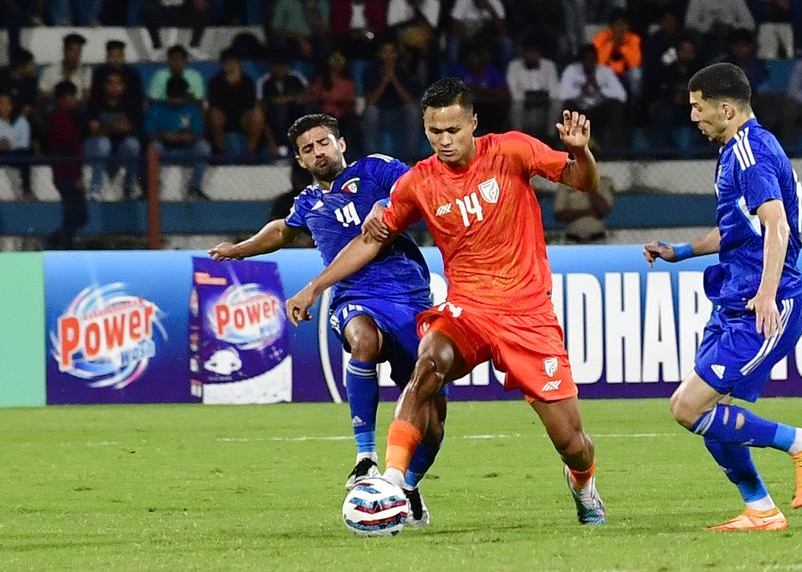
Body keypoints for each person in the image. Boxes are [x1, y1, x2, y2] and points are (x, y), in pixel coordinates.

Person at [285, 80, 608, 527]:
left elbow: (582, 180)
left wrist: (581, 152)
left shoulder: (511, 151)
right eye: (434, 131)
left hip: (527, 313)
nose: (444, 140)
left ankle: (582, 483)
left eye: (453, 129)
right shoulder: (419, 182)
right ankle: (392, 483)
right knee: (427, 365)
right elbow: (368, 241)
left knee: (571, 441)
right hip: (468, 310)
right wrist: (314, 288)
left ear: (473, 122)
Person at [210, 114, 441, 519]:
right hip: (354, 295)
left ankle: (407, 487)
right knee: (364, 340)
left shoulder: (375, 169)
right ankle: (366, 456)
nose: (318, 152)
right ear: (300, 160)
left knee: (433, 418)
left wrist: (389, 203)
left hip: (409, 296)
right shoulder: (308, 203)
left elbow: (418, 186)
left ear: (341, 143)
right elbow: (282, 231)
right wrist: (239, 249)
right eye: (307, 149)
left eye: (323, 143)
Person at [643, 63, 802, 531]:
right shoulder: (735, 150)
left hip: (762, 305)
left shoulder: (750, 151)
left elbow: (776, 224)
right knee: (711, 411)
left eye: (698, 107)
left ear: (726, 109)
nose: (693, 117)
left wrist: (767, 293)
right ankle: (761, 510)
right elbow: (737, 229)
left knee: (687, 407)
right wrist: (681, 252)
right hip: (733, 300)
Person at [146, 76, 211, 200]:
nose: (176, 100)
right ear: (167, 94)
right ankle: (154, 188)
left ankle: (194, 188)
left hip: (187, 149)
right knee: (154, 147)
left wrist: (189, 136)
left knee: (203, 147)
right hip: (165, 149)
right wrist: (164, 136)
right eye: (173, 96)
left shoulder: (192, 109)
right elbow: (149, 133)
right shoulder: (156, 109)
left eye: (179, 96)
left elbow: (199, 132)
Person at [83, 69, 142, 200]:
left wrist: (109, 128)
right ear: (104, 86)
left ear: (124, 86)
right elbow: (94, 130)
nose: (114, 87)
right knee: (103, 142)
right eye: (110, 83)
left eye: (118, 83)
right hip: (94, 145)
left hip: (119, 145)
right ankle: (95, 187)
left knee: (133, 145)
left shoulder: (130, 103)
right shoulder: (94, 102)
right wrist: (114, 127)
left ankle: (130, 185)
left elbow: (131, 128)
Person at [44, 81, 87, 248]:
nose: (73, 100)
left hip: (65, 173)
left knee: (76, 215)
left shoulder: (67, 118)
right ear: (61, 99)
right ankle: (61, 244)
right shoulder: (60, 119)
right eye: (70, 97)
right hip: (67, 174)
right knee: (76, 214)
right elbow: (69, 148)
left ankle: (57, 242)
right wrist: (77, 176)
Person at [207, 48, 269, 156]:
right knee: (214, 115)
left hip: (242, 118)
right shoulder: (215, 82)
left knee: (258, 115)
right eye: (226, 63)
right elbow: (215, 104)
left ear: (239, 64)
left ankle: (250, 151)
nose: (230, 66)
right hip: (224, 117)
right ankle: (220, 151)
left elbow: (250, 104)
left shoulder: (247, 81)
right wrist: (228, 86)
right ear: (222, 65)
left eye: (233, 62)